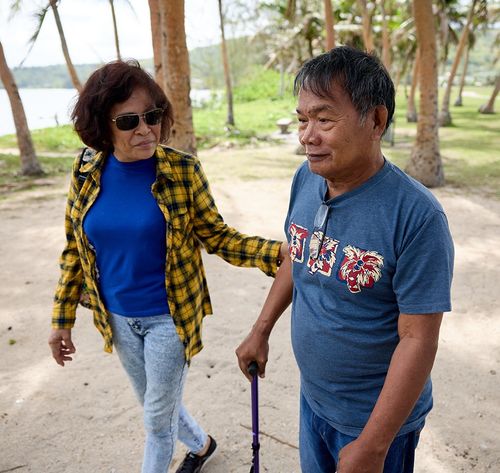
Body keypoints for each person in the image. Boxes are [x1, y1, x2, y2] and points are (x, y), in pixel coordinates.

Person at [48, 59, 286, 473]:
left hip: (169, 319)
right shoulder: (86, 170)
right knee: (155, 404)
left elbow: (216, 236)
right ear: (102, 126)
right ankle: (202, 443)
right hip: (117, 317)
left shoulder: (182, 170)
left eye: (152, 116)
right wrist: (61, 319)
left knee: (156, 421)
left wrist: (275, 253)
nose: (145, 129)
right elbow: (75, 248)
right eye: (128, 121)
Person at [236, 46, 454, 473]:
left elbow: (418, 338)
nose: (307, 135)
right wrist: (261, 330)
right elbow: (298, 256)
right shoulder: (306, 178)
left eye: (324, 119)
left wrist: (373, 445)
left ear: (375, 121)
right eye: (302, 119)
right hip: (314, 401)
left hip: (374, 425)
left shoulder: (417, 216)